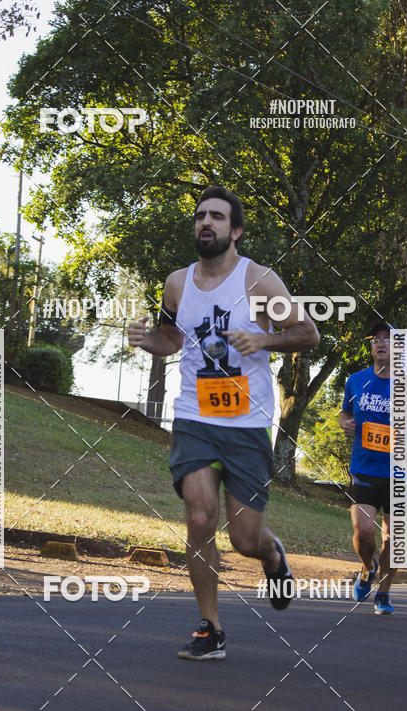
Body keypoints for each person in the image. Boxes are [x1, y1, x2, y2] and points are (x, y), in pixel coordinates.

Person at [128, 186, 319, 659]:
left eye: (215, 217)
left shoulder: (259, 280)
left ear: (234, 231)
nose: (204, 223)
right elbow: (173, 337)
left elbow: (307, 332)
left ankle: (272, 556)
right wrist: (148, 340)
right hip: (195, 415)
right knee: (198, 518)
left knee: (243, 538)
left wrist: (264, 342)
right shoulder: (178, 282)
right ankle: (210, 628)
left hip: (247, 421)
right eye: (199, 217)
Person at [339, 322, 396, 613]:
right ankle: (366, 567)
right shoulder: (356, 380)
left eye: (388, 339)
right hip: (364, 467)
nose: (381, 344)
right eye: (376, 340)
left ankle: (384, 593)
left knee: (393, 539)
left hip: (402, 473)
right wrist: (345, 424)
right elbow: (344, 414)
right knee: (363, 532)